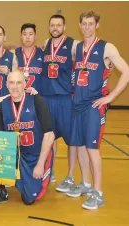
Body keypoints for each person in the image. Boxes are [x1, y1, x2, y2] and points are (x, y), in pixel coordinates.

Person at [68, 11, 129, 210]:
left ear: (97, 25)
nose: (87, 27)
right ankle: (85, 184)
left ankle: (98, 193)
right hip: (77, 105)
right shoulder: (77, 47)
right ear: (80, 25)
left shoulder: (106, 47)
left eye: (90, 23)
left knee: (92, 149)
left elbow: (126, 71)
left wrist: (110, 97)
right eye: (83, 23)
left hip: (94, 106)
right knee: (80, 147)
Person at [0, 70, 54, 206]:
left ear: (25, 84)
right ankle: (0, 189)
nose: (15, 87)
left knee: (29, 198)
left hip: (35, 156)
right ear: (6, 85)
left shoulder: (37, 101)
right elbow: (0, 140)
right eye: (11, 83)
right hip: (16, 155)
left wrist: (40, 165)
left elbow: (49, 135)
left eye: (18, 83)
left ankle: (34, 175)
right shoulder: (2, 106)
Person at [41, 14, 79, 189]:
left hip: (65, 99)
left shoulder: (73, 45)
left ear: (64, 27)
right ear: (49, 27)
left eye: (58, 25)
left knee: (71, 140)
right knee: (50, 138)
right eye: (52, 25)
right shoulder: (46, 44)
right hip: (47, 98)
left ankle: (70, 176)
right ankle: (51, 169)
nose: (55, 28)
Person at [15, 23, 44, 92]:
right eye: (24, 34)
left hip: (37, 96)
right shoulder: (15, 54)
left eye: (30, 34)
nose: (27, 37)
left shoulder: (42, 54)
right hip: (19, 96)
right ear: (21, 36)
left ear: (35, 36)